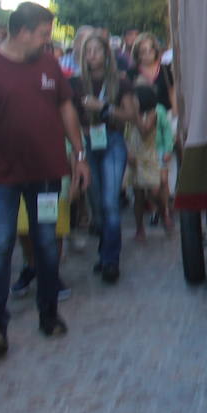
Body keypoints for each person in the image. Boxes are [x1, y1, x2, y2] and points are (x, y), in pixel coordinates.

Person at [0, 2, 90, 357]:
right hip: (1, 179)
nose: (47, 41)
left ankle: (49, 314)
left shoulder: (49, 65)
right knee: (1, 247)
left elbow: (66, 109)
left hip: (47, 176)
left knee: (47, 243)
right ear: (21, 33)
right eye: (42, 34)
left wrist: (79, 156)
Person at [76, 32, 134, 283]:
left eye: (97, 50)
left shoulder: (120, 82)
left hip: (112, 141)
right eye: (87, 51)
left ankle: (111, 260)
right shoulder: (76, 85)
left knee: (110, 202)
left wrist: (104, 108)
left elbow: (131, 115)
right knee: (97, 204)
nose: (92, 55)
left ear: (106, 54)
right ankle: (104, 252)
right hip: (88, 142)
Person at [125, 86, 174, 238]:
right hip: (136, 159)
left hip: (151, 158)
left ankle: (163, 212)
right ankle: (139, 228)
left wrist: (168, 149)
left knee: (154, 191)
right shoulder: (130, 116)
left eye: (134, 99)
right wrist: (128, 153)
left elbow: (145, 131)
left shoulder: (153, 113)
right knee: (138, 196)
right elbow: (126, 136)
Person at [127, 32, 174, 111]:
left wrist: (174, 116)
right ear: (137, 53)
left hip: (166, 118)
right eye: (143, 50)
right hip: (142, 119)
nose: (148, 53)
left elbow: (173, 94)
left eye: (151, 49)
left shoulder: (167, 70)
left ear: (155, 50)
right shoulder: (131, 73)